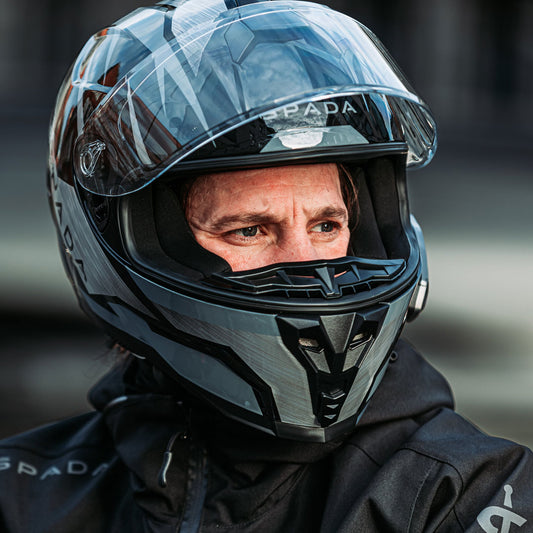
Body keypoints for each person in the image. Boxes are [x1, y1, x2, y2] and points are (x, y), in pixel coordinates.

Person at [1, 0, 532, 531]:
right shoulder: (20, 496)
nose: (310, 267)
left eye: (327, 225)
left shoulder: (466, 497)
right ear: (132, 242)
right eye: (250, 230)